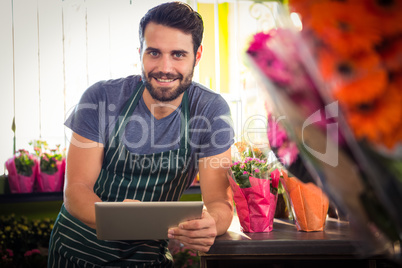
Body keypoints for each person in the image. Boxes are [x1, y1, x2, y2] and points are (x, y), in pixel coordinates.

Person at [48, 1, 235, 267]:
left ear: (198, 55)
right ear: (140, 53)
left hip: (147, 259)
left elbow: (219, 201)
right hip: (76, 252)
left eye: (178, 54)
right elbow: (76, 191)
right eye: (154, 53)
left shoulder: (210, 111)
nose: (165, 67)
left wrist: (211, 224)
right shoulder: (101, 98)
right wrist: (120, 217)